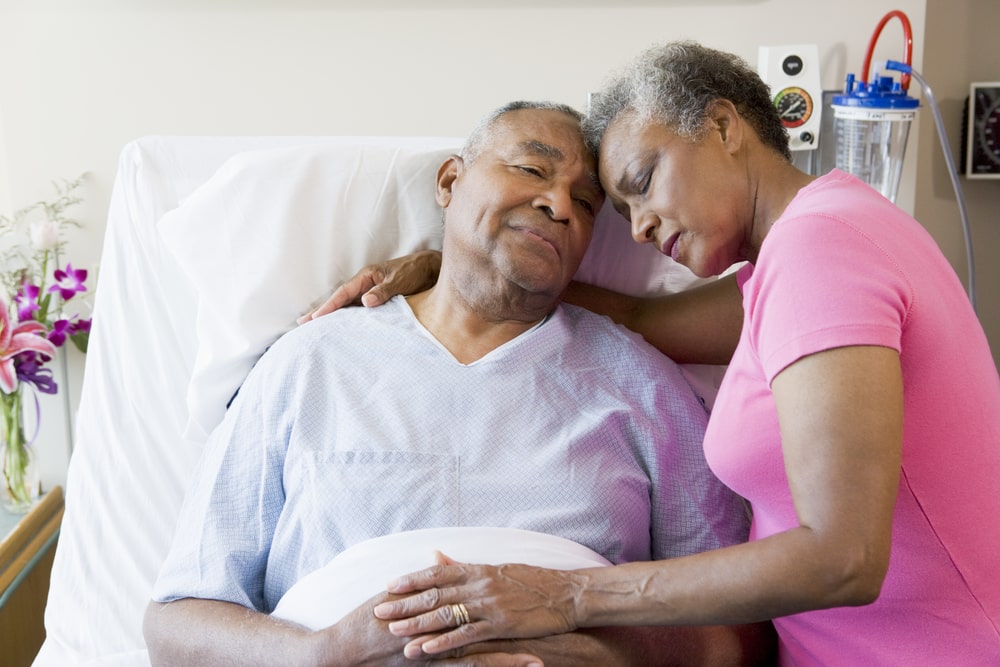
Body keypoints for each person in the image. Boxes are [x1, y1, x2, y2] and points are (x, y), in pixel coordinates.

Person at [304, 43, 1000, 665]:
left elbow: (843, 557)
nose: (636, 228)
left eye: (640, 181)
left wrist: (569, 595)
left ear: (723, 127)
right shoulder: (792, 265)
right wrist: (458, 263)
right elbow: (638, 315)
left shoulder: (824, 249)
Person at [143, 100, 771, 666]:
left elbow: (740, 631)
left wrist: (600, 655)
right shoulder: (309, 363)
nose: (558, 205)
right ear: (450, 181)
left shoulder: (643, 384)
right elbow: (176, 624)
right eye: (532, 170)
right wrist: (326, 651)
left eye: (585, 204)